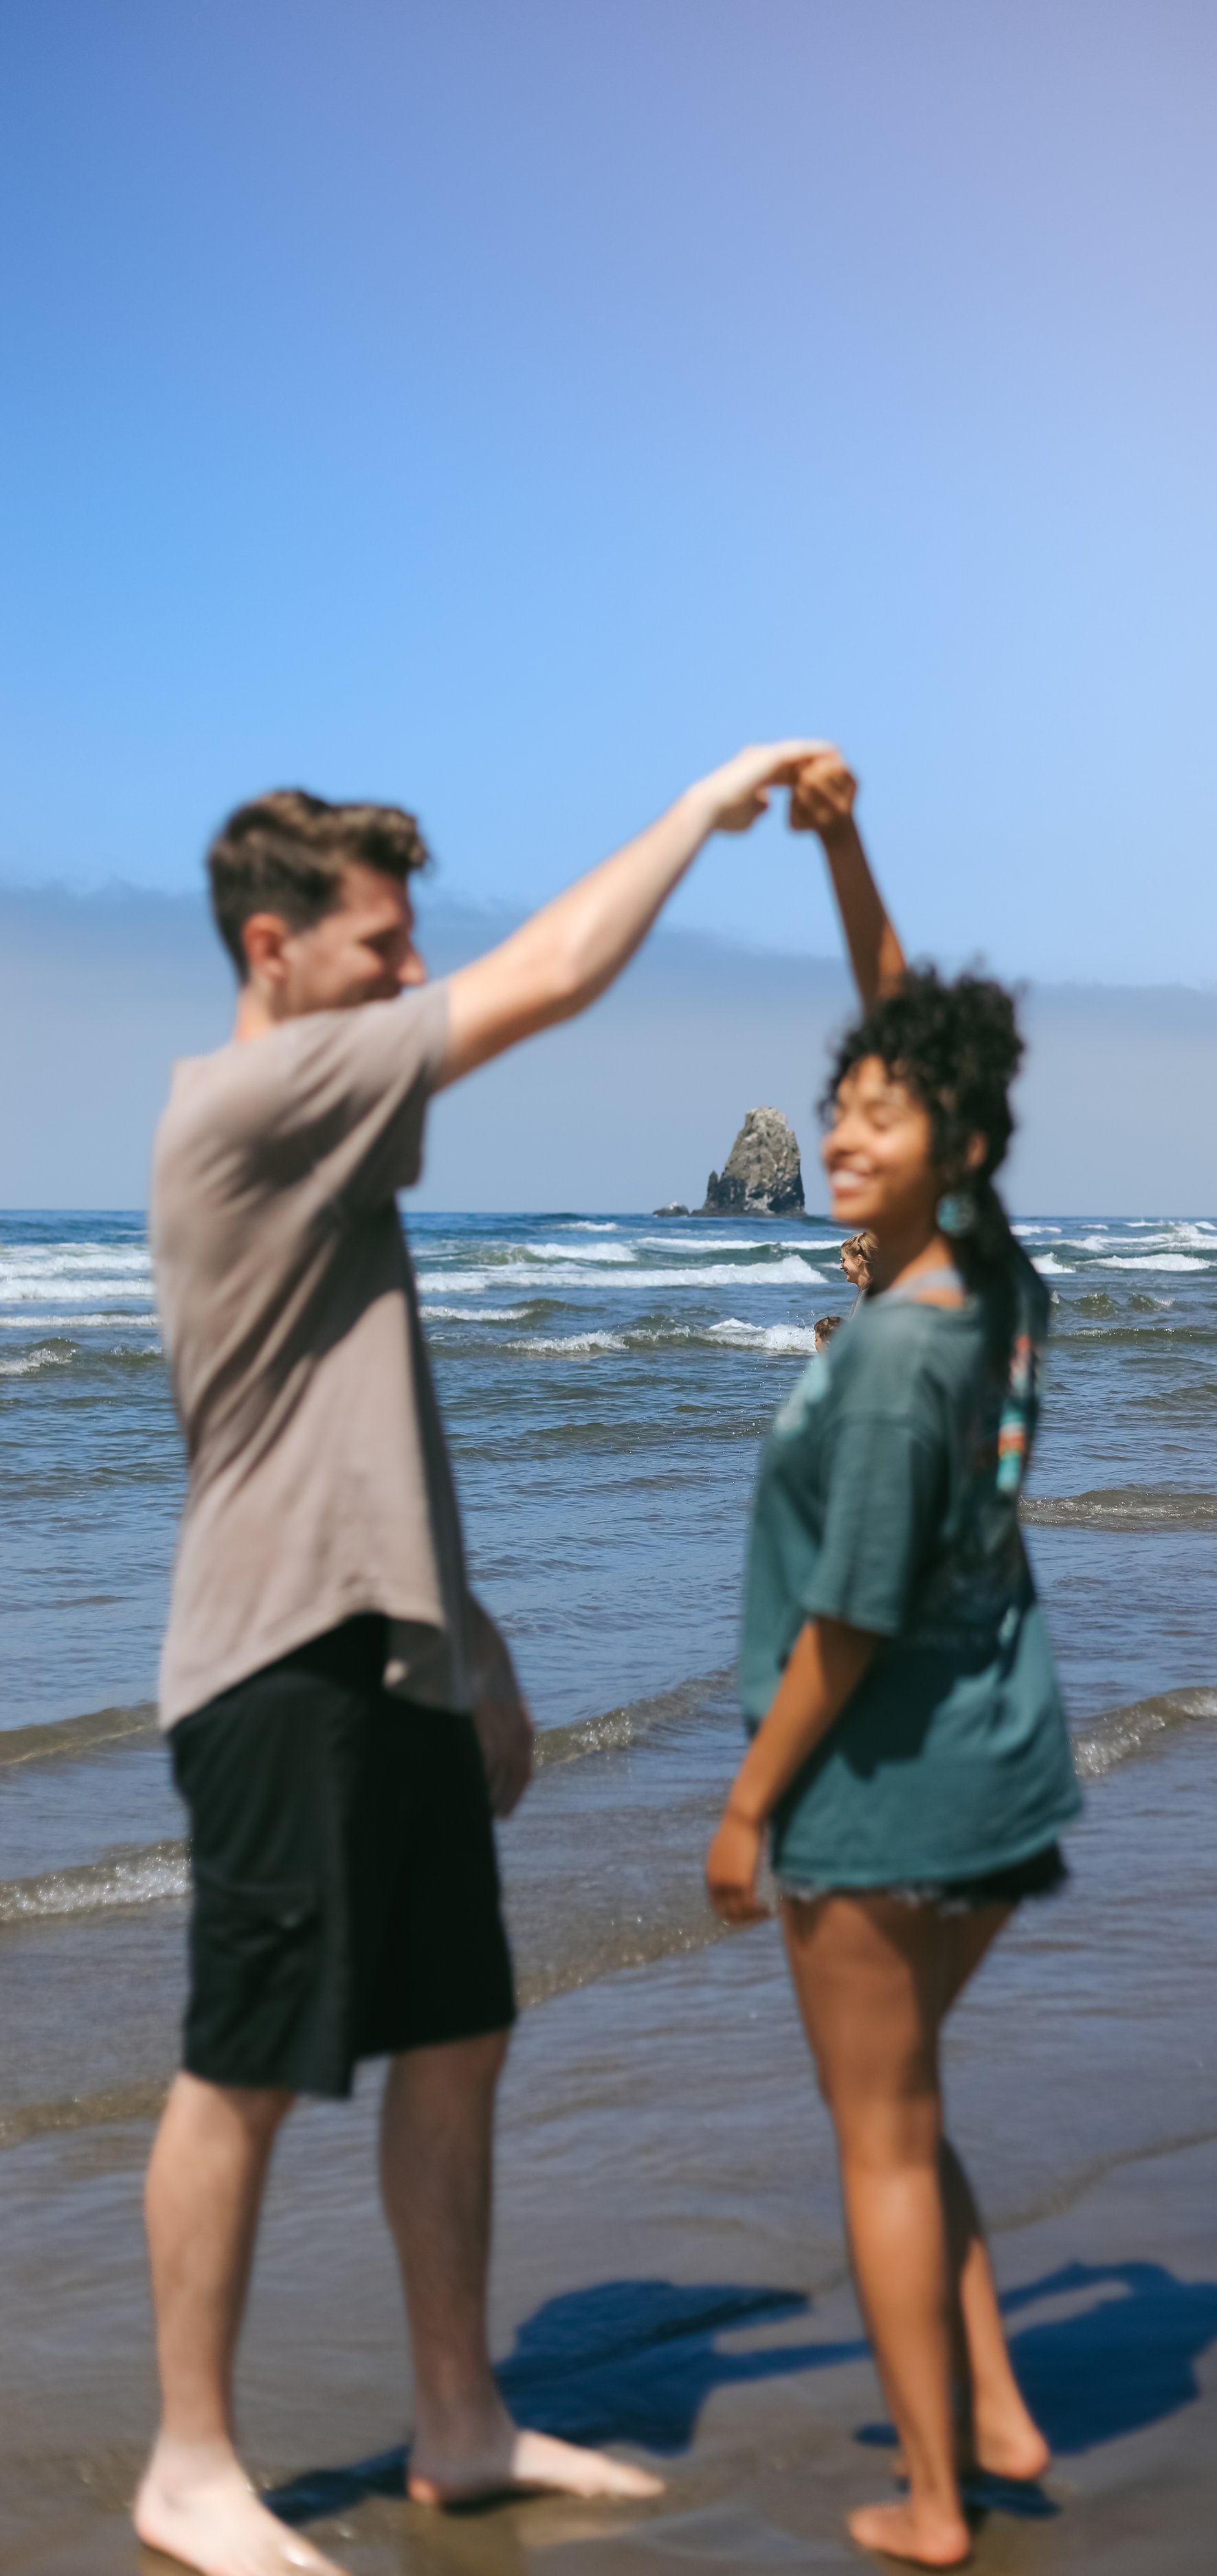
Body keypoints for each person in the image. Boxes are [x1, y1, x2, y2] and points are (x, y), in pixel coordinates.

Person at [138, 742, 827, 2576]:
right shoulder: (253, 1103)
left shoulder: (340, 1155)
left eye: (411, 941)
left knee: (459, 2038)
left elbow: (365, 1433)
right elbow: (548, 980)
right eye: (378, 946)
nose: (408, 974)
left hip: (400, 1659)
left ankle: (460, 2423)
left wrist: (488, 1656)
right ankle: (188, 2464)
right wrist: (702, 805)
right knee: (246, 2058)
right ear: (274, 948)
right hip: (274, 1664)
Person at [705, 757, 1082, 2568]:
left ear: (958, 1154)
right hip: (1005, 1757)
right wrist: (847, 848)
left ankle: (934, 2501)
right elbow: (913, 1035)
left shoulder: (887, 1362)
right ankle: (996, 2407)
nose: (845, 1134)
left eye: (878, 1121)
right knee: (907, 2107)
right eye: (832, 1113)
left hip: (883, 1788)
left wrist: (742, 1804)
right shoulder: (989, 1281)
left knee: (874, 2139)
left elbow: (843, 1627)